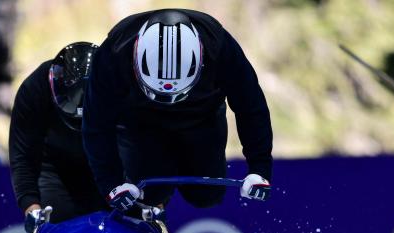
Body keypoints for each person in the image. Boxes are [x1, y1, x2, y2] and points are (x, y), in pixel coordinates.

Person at [82, 9, 273, 212]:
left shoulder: (220, 47)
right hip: (139, 122)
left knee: (206, 196)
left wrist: (259, 169)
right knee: (147, 196)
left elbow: (251, 107)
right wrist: (111, 185)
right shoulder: (113, 53)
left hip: (201, 119)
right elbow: (96, 124)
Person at [9, 42, 107, 233]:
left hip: (109, 167)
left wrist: (153, 202)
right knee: (54, 228)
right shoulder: (35, 89)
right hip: (56, 169)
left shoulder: (123, 88)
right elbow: (23, 156)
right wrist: (32, 208)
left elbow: (142, 145)